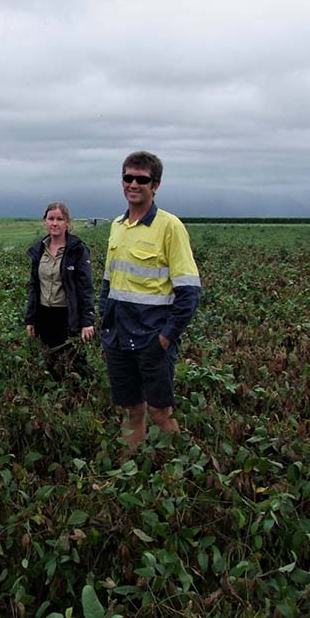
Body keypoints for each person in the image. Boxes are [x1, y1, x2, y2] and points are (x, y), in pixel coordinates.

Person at [99, 151, 201, 454]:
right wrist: (106, 320)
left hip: (152, 337)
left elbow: (189, 292)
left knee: (160, 412)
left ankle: (180, 471)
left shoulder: (170, 227)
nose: (133, 184)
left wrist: (166, 337)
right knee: (132, 409)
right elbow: (108, 282)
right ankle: (128, 472)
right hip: (118, 336)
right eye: (128, 177)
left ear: (155, 185)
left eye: (141, 179)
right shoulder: (118, 225)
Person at [24, 202, 95, 380]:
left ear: (67, 223)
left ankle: (78, 400)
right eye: (51, 219)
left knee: (74, 364)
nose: (55, 223)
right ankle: (57, 402)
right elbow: (34, 286)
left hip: (68, 317)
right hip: (44, 315)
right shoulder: (39, 250)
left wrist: (87, 322)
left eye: (59, 219)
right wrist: (30, 319)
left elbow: (85, 288)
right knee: (51, 363)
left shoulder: (77, 250)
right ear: (45, 222)